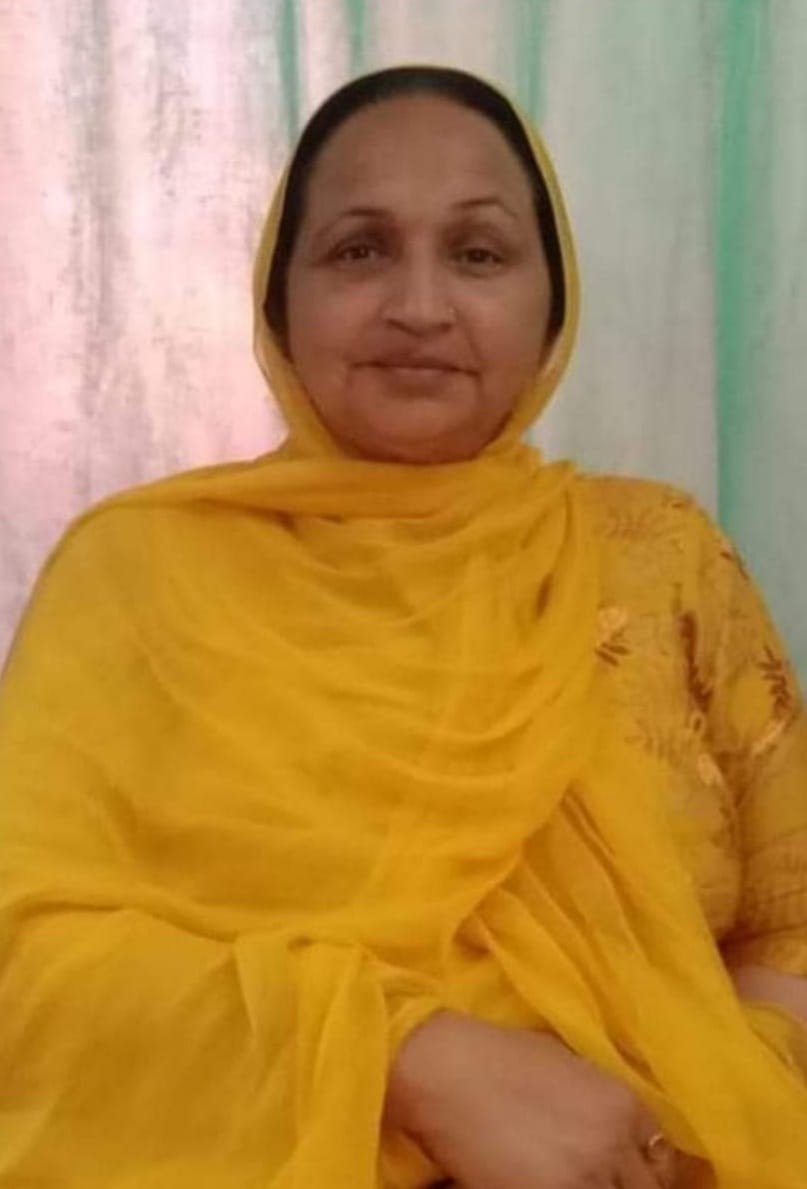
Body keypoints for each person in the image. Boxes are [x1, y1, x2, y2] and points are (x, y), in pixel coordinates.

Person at [0, 64, 806, 1189]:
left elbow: (787, 920)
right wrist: (405, 1058)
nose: (420, 306)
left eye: (477, 253)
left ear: (552, 301)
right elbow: (26, 958)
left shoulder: (660, 556)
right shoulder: (136, 573)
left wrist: (695, 1113)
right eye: (359, 250)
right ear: (278, 301)